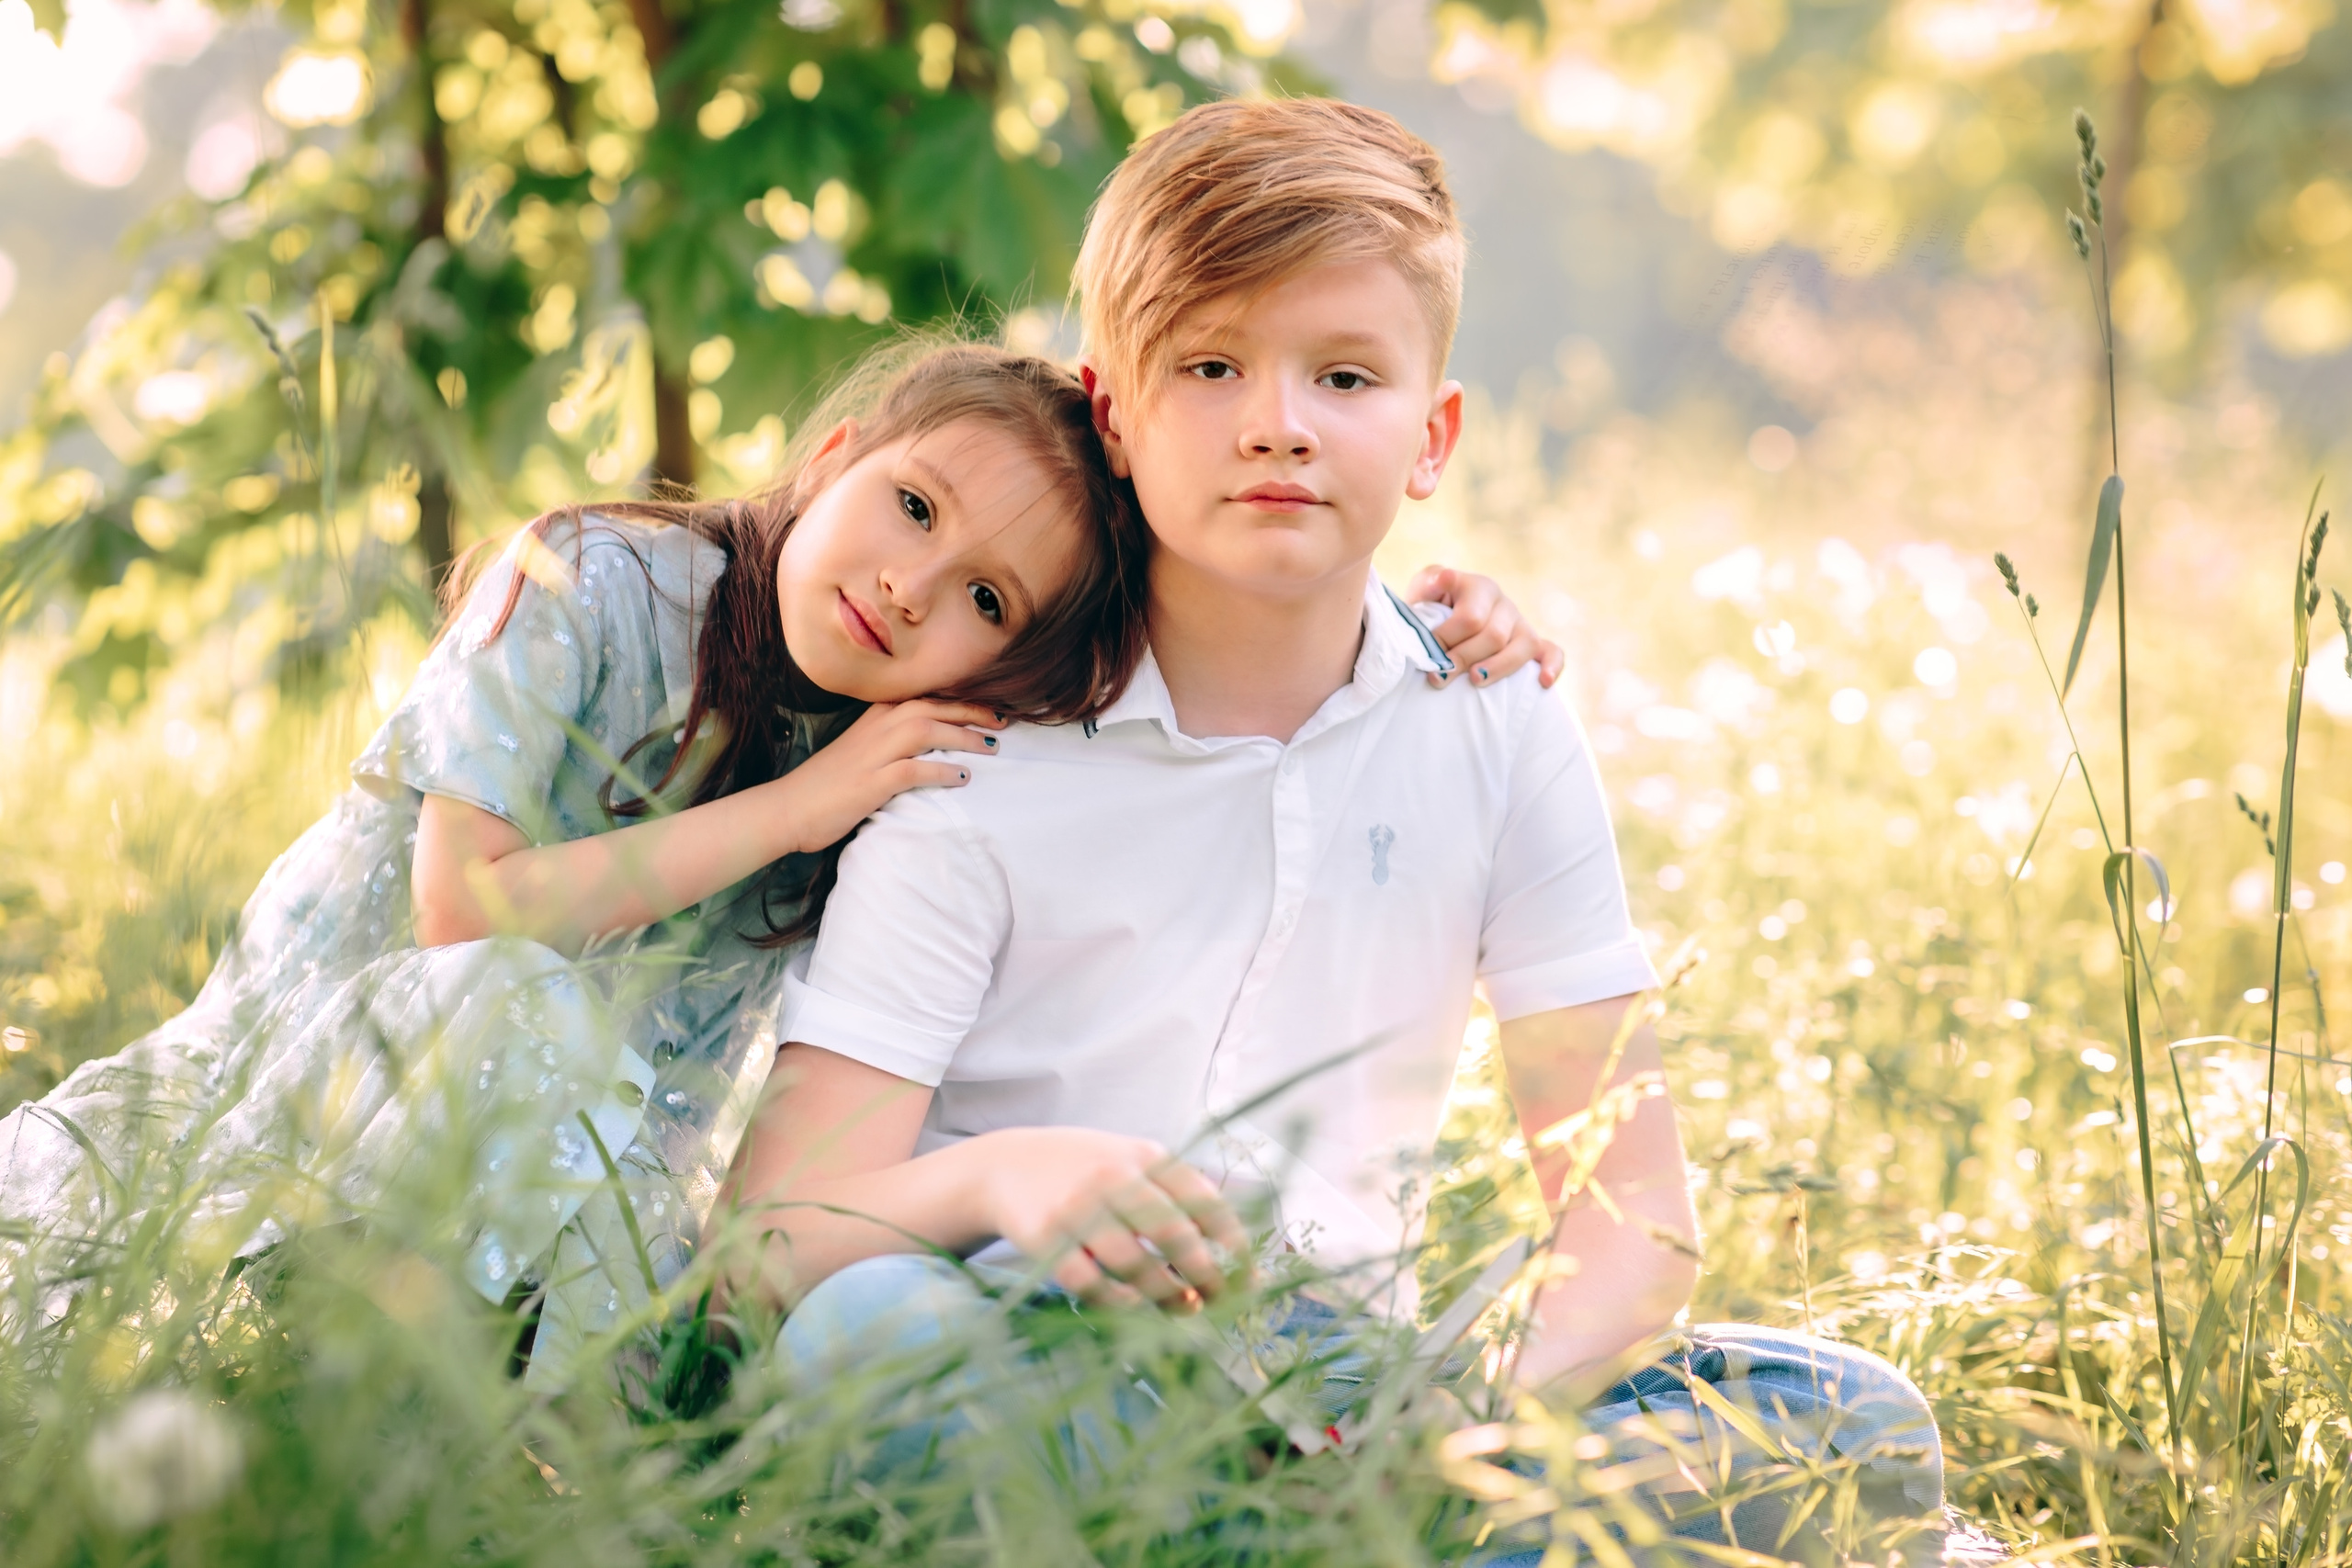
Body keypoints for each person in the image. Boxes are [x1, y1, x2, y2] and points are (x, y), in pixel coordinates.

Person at [722, 100, 1949, 1556]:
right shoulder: (982, 758)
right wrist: (1006, 1177)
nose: (1278, 424)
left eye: (1345, 374)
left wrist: (1473, 1426)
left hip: (1364, 1397)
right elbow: (774, 1243)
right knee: (866, 1341)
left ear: (1431, 437)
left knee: (1847, 1424)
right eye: (1212, 365)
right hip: (1035, 1353)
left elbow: (1632, 1220)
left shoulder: (1493, 721)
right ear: (1112, 415)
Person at [0, 333, 1558, 1385]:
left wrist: (1427, 629)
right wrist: (800, 814)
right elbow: (460, 919)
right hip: (301, 1115)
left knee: (723, 1325)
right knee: (514, 1016)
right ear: (834, 453)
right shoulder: (588, 580)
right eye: (913, 506)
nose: (911, 585)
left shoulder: (898, 748)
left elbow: (1201, 671)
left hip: (556, 1224)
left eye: (990, 602)